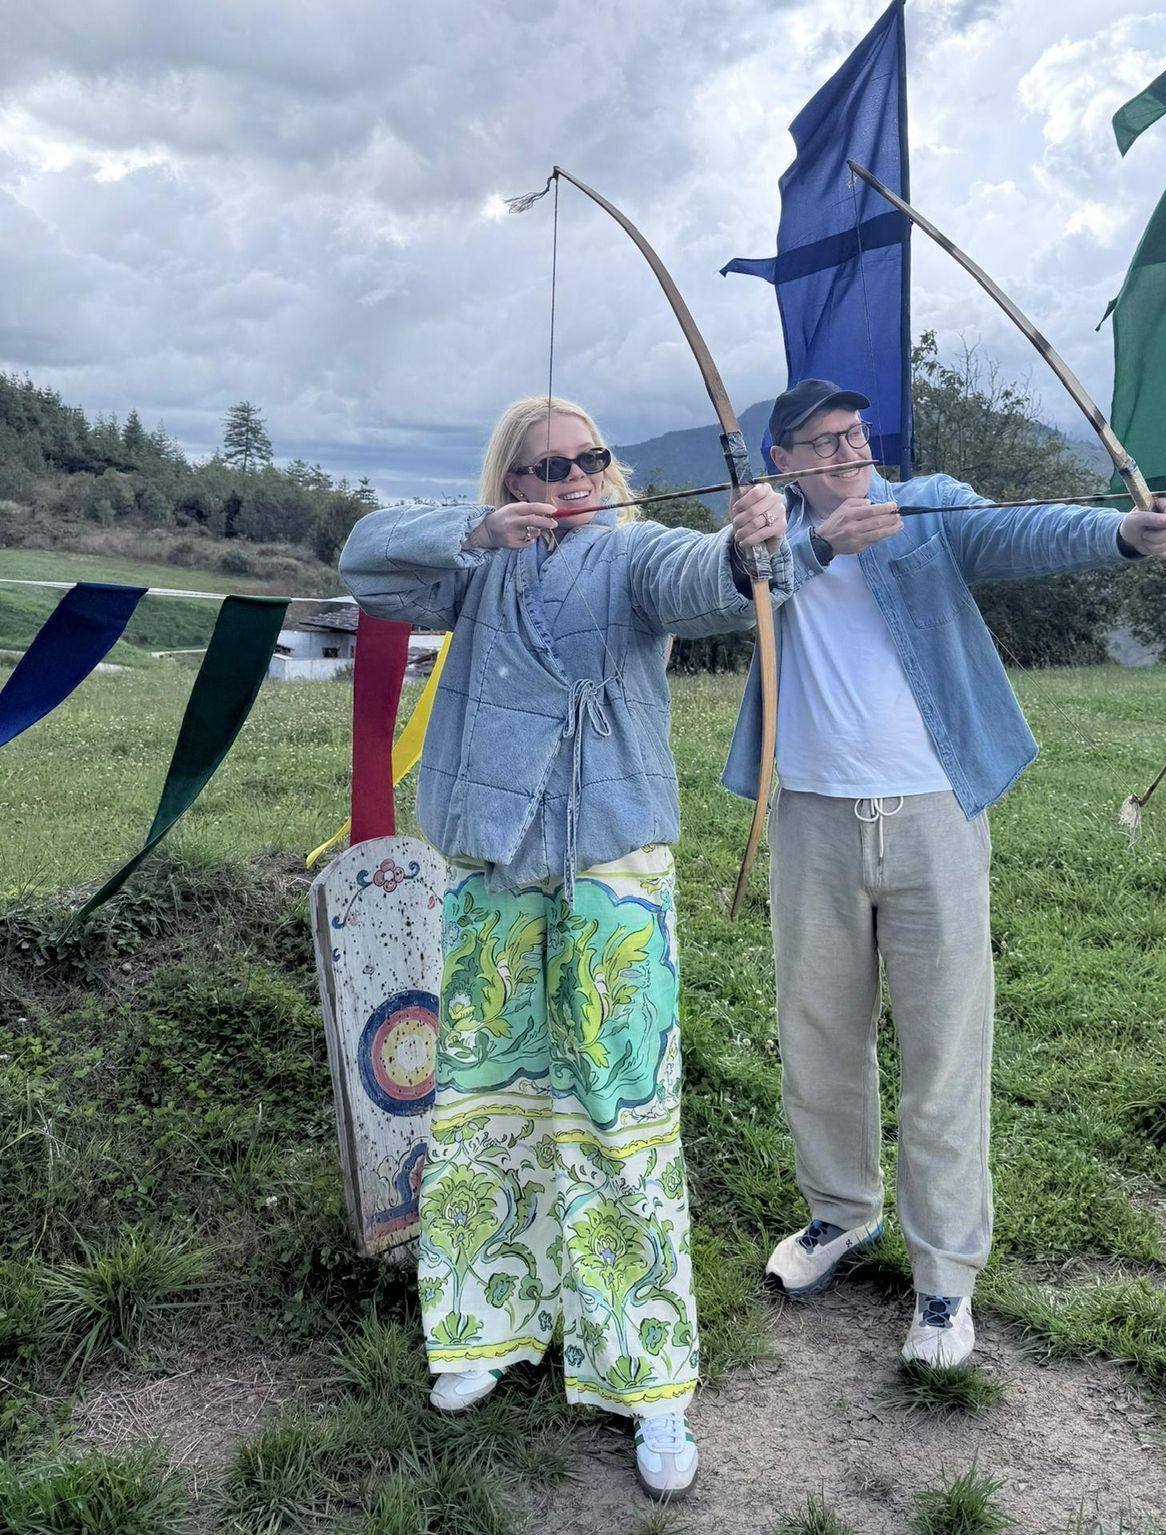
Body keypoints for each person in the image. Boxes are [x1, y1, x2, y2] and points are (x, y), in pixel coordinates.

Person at [340, 396, 792, 1499]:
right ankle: (485, 1329)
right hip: (495, 864)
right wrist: (476, 526)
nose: (570, 477)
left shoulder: (634, 553)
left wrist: (749, 545)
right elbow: (362, 558)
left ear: (611, 469)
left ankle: (649, 1375)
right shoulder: (477, 561)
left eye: (587, 459)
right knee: (484, 1101)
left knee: (618, 1111)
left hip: (611, 870)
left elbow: (703, 579)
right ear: (511, 478)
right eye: (543, 467)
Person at [721, 379, 1166, 1366]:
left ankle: (944, 1280)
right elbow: (733, 584)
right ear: (782, 459)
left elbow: (1020, 532)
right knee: (816, 1033)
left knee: (942, 1047)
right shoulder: (769, 536)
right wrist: (806, 541)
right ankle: (841, 1214)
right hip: (810, 814)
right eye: (821, 441)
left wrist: (1120, 533)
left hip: (933, 813)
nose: (848, 452)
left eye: (855, 432)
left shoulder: (921, 504)